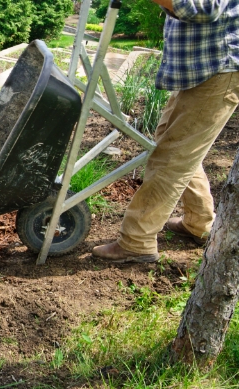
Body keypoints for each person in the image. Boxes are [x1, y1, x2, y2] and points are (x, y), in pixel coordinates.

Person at [92, 0, 239, 263]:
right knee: (172, 147)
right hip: (201, 71)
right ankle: (199, 222)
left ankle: (137, 241)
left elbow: (205, 8)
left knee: (171, 159)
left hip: (218, 70)